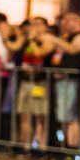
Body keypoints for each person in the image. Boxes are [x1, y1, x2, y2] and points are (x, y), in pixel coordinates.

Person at [47, 11, 80, 149]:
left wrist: (56, 40)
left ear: (78, 22)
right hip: (61, 81)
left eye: (68, 20)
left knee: (71, 116)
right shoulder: (66, 37)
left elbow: (74, 49)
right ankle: (66, 145)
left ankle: (73, 147)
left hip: (72, 81)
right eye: (64, 21)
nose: (64, 24)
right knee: (63, 116)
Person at [15, 17, 55, 151]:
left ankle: (40, 147)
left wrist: (32, 40)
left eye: (39, 24)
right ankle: (24, 145)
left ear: (45, 27)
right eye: (33, 24)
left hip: (39, 83)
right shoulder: (26, 39)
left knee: (39, 116)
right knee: (24, 114)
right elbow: (14, 48)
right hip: (25, 81)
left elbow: (39, 53)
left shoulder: (48, 39)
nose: (35, 27)